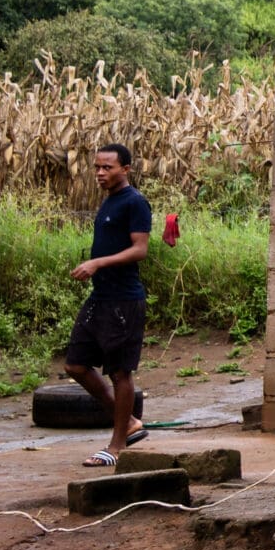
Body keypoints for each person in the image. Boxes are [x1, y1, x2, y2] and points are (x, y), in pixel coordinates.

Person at [63, 141, 153, 467]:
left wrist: (98, 264)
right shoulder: (109, 202)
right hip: (100, 298)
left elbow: (140, 249)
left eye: (107, 168)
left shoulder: (135, 203)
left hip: (123, 301)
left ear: (125, 169)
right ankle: (127, 421)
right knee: (75, 365)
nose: (100, 173)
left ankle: (116, 447)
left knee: (120, 372)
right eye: (97, 167)